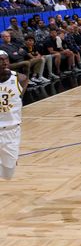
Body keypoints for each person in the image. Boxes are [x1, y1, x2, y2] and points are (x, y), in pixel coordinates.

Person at [0, 50, 28, 180]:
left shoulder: (20, 79)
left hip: (12, 131)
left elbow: (19, 99)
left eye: (6, 59)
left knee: (8, 173)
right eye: (1, 60)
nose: (4, 62)